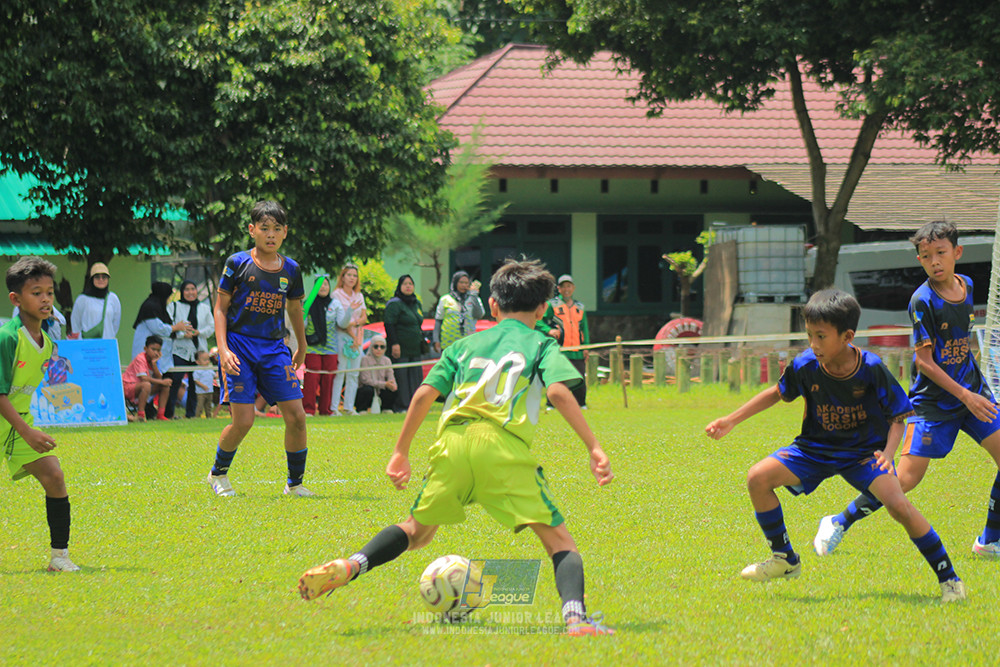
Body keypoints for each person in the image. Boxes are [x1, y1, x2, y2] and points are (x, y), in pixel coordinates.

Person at [298, 259, 616, 635]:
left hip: (452, 445)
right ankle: (576, 620)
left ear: (493, 306)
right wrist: (594, 447)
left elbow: (423, 394)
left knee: (417, 531)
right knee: (559, 541)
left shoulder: (464, 345)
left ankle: (353, 564)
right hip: (503, 448)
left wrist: (401, 451)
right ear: (542, 309)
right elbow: (559, 391)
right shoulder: (541, 343)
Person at [705, 289, 966, 603]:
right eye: (809, 335)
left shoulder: (871, 367)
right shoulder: (805, 365)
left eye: (821, 336)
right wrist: (731, 420)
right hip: (814, 450)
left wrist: (888, 453)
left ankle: (949, 579)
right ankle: (785, 559)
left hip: (863, 455)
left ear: (847, 336)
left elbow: (899, 416)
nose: (813, 344)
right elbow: (776, 393)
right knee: (757, 478)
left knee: (899, 506)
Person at [814, 220, 1000, 559]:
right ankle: (839, 521)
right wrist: (965, 395)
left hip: (973, 395)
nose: (934, 261)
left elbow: (959, 342)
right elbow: (925, 363)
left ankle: (988, 541)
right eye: (926, 256)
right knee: (903, 481)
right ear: (920, 260)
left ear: (957, 252)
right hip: (933, 406)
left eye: (940, 253)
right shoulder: (922, 300)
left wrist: (974, 388)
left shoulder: (968, 285)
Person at [205, 200, 311, 498]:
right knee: (244, 421)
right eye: (264, 228)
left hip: (275, 349)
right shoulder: (237, 263)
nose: (270, 234)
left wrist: (302, 345)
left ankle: (295, 484)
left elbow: (294, 308)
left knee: (297, 416)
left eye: (277, 229)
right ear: (252, 230)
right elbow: (220, 309)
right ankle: (217, 474)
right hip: (239, 347)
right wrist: (223, 350)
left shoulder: (291, 269)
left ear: (285, 232)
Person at [1, 256, 80, 571]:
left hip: (16, 422)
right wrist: (27, 431)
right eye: (36, 293)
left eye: (49, 292)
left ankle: (59, 557)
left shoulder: (46, 344)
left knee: (54, 474)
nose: (46, 299)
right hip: (18, 424)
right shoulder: (8, 338)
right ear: (16, 299)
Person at [162, 280, 215, 419]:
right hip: (180, 350)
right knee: (175, 381)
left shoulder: (204, 308)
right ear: (182, 291)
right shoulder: (174, 306)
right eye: (187, 289)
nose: (190, 292)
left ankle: (192, 414)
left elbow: (211, 327)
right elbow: (167, 326)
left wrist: (199, 332)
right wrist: (181, 334)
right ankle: (168, 413)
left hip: (199, 351)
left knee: (195, 383)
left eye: (193, 289)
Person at [542, 274, 590, 408]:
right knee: (556, 377)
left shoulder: (580, 307)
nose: (566, 289)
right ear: (559, 289)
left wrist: (586, 347)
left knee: (579, 377)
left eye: (569, 286)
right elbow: (539, 321)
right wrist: (549, 330)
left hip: (577, 350)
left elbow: (584, 328)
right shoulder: (552, 305)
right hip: (559, 349)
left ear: (573, 288)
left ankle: (581, 404)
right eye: (563, 287)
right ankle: (551, 404)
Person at [303, 277, 347, 416]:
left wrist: (351, 310)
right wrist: (302, 313)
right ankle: (308, 409)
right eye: (319, 285)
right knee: (311, 379)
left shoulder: (335, 304)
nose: (323, 287)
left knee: (328, 380)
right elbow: (302, 325)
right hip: (312, 347)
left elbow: (342, 323)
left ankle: (326, 410)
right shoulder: (307, 303)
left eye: (326, 284)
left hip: (331, 348)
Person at [383, 274, 426, 412]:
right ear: (399, 286)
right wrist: (394, 344)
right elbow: (389, 324)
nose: (408, 286)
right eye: (405, 284)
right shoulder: (394, 304)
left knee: (415, 376)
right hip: (401, 348)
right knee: (402, 377)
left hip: (415, 347)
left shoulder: (416, 303)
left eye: (411, 284)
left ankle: (416, 405)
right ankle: (403, 405)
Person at [330, 263, 367, 416]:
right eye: (349, 275)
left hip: (357, 338)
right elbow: (341, 322)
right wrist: (352, 330)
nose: (352, 278)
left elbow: (363, 317)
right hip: (342, 337)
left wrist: (356, 329)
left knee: (354, 373)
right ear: (343, 277)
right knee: (340, 372)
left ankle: (349, 407)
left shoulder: (359, 295)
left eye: (355, 276)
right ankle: (334, 407)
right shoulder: (336, 295)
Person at [131, 282, 190, 367]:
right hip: (146, 354)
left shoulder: (160, 308)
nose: (168, 300)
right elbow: (158, 328)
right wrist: (176, 327)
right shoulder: (150, 307)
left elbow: (166, 330)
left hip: (161, 358)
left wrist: (182, 334)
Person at [122, 335, 173, 422]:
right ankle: (141, 415)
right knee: (146, 385)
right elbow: (144, 378)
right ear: (145, 348)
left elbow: (159, 378)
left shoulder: (155, 360)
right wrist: (162, 382)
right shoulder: (140, 358)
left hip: (143, 389)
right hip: (128, 387)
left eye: (158, 350)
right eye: (153, 349)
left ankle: (160, 415)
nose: (156, 353)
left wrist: (154, 364)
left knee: (165, 386)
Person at [433, 270, 484, 353]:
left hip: (468, 344)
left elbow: (479, 315)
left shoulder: (474, 299)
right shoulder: (445, 299)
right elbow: (438, 321)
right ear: (455, 283)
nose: (464, 285)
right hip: (448, 344)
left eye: (466, 283)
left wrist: (474, 296)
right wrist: (436, 340)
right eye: (461, 282)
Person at [70, 262, 121, 340]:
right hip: (87, 344)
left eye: (104, 277)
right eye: (97, 277)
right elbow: (75, 323)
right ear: (92, 279)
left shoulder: (113, 298)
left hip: (107, 343)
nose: (101, 280)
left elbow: (115, 324)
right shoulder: (82, 299)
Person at [354, 335, 397, 413]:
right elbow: (365, 380)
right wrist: (384, 384)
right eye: (376, 346)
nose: (379, 349)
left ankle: (386, 408)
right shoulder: (365, 359)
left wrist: (392, 385)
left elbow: (391, 376)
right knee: (367, 390)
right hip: (368, 389)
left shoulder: (387, 360)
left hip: (381, 389)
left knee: (391, 389)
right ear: (371, 347)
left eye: (382, 347)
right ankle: (362, 409)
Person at [191, 349, 216, 418]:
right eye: (205, 360)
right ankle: (197, 416)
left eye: (208, 359)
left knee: (208, 405)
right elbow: (196, 380)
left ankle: (209, 416)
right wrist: (203, 386)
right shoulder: (198, 370)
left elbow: (214, 376)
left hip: (210, 391)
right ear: (198, 362)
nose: (207, 361)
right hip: (201, 392)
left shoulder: (210, 369)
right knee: (200, 405)